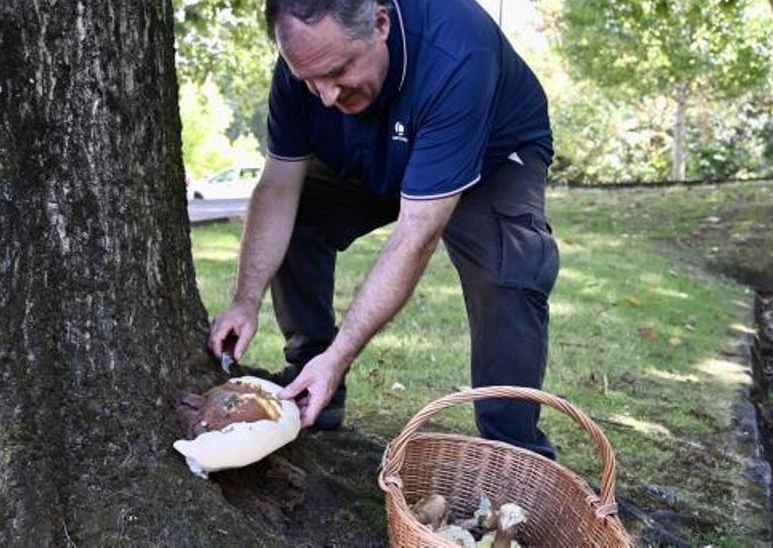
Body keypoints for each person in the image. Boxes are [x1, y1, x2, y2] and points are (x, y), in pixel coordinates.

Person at [207, 0, 559, 458]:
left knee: (507, 270)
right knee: (300, 216)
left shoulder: (458, 54)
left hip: (488, 154)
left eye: (337, 71)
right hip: (373, 144)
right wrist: (245, 299)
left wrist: (343, 353)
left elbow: (416, 236)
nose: (327, 96)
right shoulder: (305, 70)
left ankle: (513, 454)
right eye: (308, 80)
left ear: (380, 23)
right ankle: (311, 384)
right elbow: (277, 188)